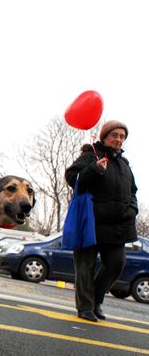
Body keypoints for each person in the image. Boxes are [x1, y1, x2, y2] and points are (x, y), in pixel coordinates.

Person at [65, 120, 138, 322]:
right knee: (85, 266)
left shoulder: (124, 164)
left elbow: (133, 191)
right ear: (105, 137)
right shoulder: (91, 155)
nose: (118, 139)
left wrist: (132, 209)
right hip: (90, 221)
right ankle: (85, 307)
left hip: (117, 225)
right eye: (114, 135)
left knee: (117, 263)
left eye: (122, 136)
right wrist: (93, 169)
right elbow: (72, 177)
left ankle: (95, 299)